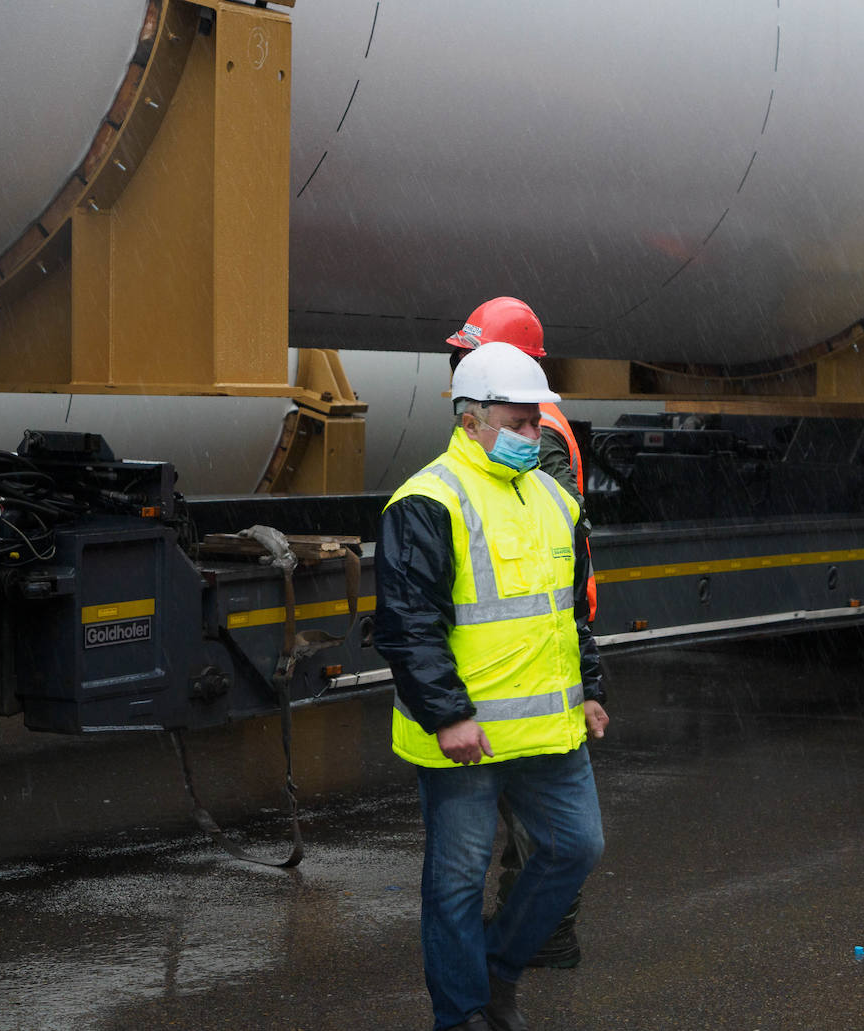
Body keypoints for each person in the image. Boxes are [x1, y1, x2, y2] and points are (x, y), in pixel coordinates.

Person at [375, 341, 609, 1031]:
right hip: (466, 737)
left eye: (537, 421)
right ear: (472, 419)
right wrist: (447, 715)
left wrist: (590, 688)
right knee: (455, 879)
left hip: (548, 730)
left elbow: (569, 612)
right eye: (519, 421)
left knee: (577, 846)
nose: (534, 434)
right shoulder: (427, 500)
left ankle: (497, 967)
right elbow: (407, 623)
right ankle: (464, 1013)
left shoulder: (553, 501)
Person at [445, 297, 595, 969]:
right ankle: (530, 931)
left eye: (469, 355)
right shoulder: (499, 424)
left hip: (540, 643)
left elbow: (551, 544)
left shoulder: (540, 436)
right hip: (522, 643)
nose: (458, 366)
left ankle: (543, 934)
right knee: (526, 807)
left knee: (539, 814)